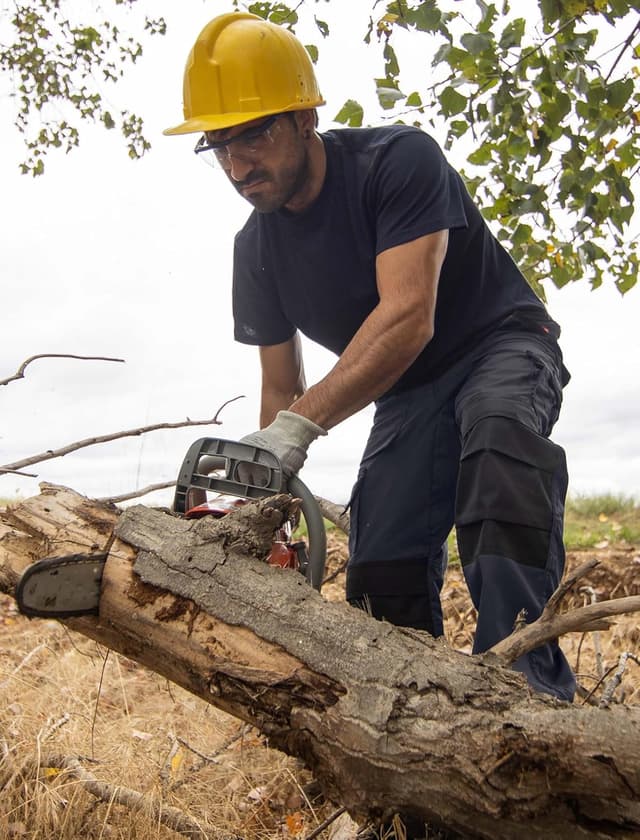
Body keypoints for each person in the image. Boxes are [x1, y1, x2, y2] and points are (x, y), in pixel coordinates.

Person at [165, 12, 576, 705]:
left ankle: (528, 693)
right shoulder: (255, 250)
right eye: (220, 147)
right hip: (409, 390)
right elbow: (281, 388)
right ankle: (410, 713)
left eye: (255, 135)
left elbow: (409, 317)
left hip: (499, 343)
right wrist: (268, 491)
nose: (238, 167)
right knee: (380, 563)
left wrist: (297, 429)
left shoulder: (398, 162)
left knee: (499, 447)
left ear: (305, 117)